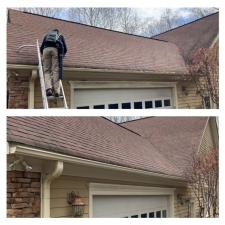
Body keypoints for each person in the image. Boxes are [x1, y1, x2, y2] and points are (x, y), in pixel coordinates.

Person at [40, 29, 67, 97]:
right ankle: (57, 91)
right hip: (55, 51)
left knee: (47, 71)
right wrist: (62, 56)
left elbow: (41, 48)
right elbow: (65, 48)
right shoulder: (60, 35)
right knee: (55, 71)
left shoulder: (46, 36)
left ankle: (48, 89)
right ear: (57, 32)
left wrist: (43, 55)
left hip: (45, 50)